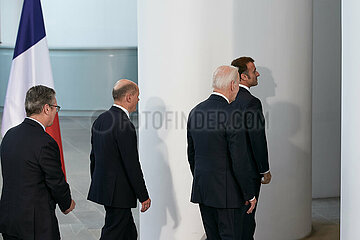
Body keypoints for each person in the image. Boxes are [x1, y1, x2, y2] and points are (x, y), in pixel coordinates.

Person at [187, 66, 257, 240]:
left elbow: (192, 154)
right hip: (229, 195)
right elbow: (239, 160)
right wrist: (249, 193)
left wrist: (203, 181)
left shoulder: (196, 111)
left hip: (204, 190)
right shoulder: (233, 114)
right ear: (233, 85)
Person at [0, 85, 75, 240]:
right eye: (56, 107)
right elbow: (56, 182)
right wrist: (66, 204)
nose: (56, 112)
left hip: (9, 220)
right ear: (46, 108)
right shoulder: (45, 142)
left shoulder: (9, 135)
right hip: (35, 226)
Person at [87, 79, 151, 240]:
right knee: (113, 232)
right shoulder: (124, 125)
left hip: (106, 189)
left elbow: (93, 157)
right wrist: (143, 195)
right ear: (129, 97)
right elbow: (132, 165)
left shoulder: (101, 119)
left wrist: (98, 182)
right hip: (118, 193)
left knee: (128, 233)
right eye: (137, 96)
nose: (138, 100)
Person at [231, 57, 271, 239]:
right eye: (254, 71)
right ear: (243, 77)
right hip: (248, 172)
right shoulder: (252, 102)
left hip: (226, 173)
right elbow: (257, 139)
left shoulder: (226, 101)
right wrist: (265, 170)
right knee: (247, 220)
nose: (258, 74)